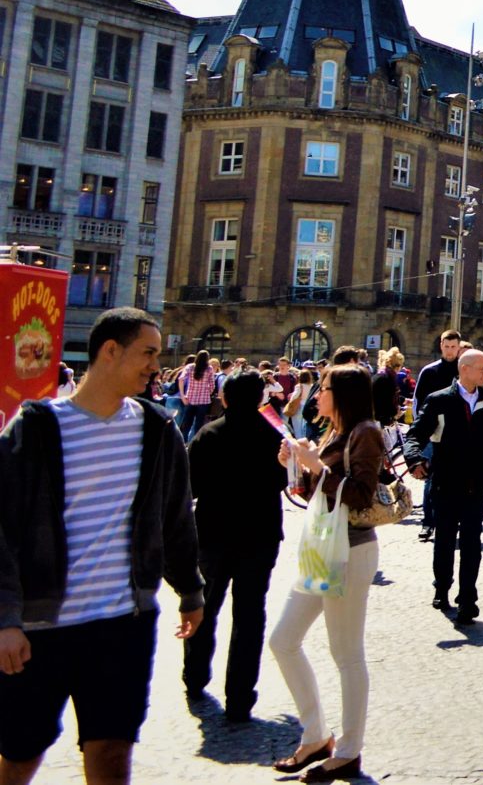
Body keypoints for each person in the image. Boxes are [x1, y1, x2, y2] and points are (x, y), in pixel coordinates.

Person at [0, 308, 203, 785]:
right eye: (148, 353)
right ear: (110, 351)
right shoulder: (36, 428)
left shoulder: (157, 430)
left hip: (121, 625)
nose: (157, 365)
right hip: (39, 628)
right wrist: (5, 619)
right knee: (20, 756)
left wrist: (190, 591)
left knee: (112, 754)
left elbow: (176, 517)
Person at [268, 364, 385, 781]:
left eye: (324, 388)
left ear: (344, 394)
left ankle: (349, 750)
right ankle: (316, 734)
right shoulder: (335, 432)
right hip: (323, 547)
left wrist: (317, 467)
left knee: (346, 654)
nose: (317, 394)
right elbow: (314, 494)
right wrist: (295, 465)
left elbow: (359, 494)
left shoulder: (365, 432)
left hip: (351, 552)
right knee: (283, 640)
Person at [182, 369, 288, 723]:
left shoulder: (208, 434)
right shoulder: (273, 436)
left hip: (213, 534)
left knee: (205, 607)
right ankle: (240, 697)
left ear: (224, 398)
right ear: (261, 398)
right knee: (249, 614)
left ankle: (194, 677)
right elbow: (282, 481)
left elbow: (189, 488)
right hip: (259, 536)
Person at [403, 349, 483, 624]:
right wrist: (414, 459)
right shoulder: (439, 400)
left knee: (472, 541)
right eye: (482, 368)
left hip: (476, 484)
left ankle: (468, 599)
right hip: (445, 481)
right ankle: (442, 587)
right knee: (445, 538)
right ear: (465, 369)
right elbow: (415, 435)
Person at [410, 330, 464, 545]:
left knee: (457, 479)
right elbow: (418, 403)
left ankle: (453, 522)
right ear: (441, 346)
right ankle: (428, 521)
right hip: (433, 434)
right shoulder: (429, 371)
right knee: (430, 479)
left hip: (459, 434)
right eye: (447, 346)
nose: (450, 350)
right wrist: (421, 431)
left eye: (454, 347)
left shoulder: (464, 370)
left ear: (459, 347)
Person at [174, 354, 218, 442]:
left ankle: (183, 442)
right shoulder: (209, 368)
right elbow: (212, 385)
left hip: (190, 399)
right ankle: (195, 443)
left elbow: (181, 378)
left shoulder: (190, 367)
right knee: (199, 424)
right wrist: (207, 393)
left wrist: (182, 395)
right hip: (204, 400)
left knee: (187, 423)